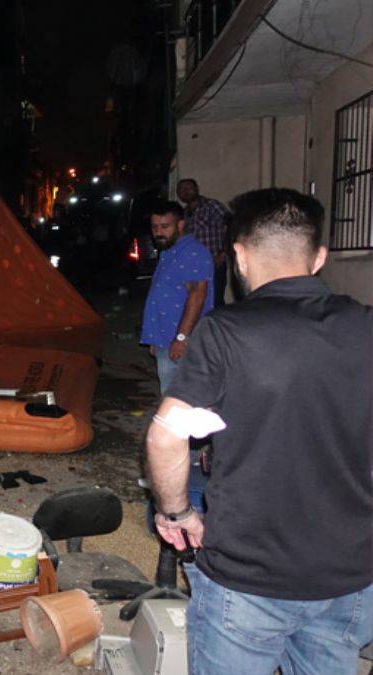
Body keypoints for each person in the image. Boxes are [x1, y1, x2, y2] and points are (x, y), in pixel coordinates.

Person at [146, 188, 372, 674]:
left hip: (248, 576)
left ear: (240, 257)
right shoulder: (366, 326)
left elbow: (166, 434)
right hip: (349, 575)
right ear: (319, 257)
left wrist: (177, 513)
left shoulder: (226, 332)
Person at [139, 201, 214, 394]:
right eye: (155, 227)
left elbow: (197, 295)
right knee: (171, 396)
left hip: (182, 341)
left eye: (165, 226)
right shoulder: (170, 251)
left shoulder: (192, 252)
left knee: (184, 399)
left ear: (180, 225)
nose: (158, 232)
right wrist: (155, 339)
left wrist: (182, 338)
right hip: (166, 339)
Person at [177, 178, 230, 307]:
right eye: (182, 189)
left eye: (189, 187)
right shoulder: (183, 214)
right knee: (195, 302)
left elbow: (232, 225)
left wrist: (223, 252)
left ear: (197, 189)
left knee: (215, 301)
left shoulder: (212, 206)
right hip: (192, 265)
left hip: (213, 263)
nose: (186, 191)